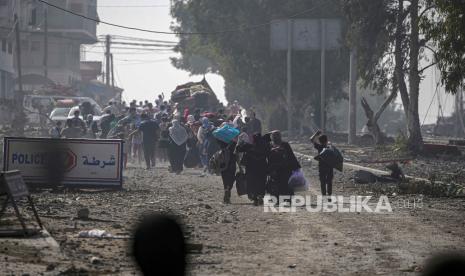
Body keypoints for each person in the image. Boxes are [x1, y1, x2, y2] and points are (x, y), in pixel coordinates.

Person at [266, 130, 300, 200]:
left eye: (277, 135)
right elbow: (268, 156)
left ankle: (288, 198)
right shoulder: (270, 145)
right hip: (274, 168)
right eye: (274, 136)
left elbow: (291, 155)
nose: (276, 137)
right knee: (275, 184)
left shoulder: (285, 144)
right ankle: (277, 198)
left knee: (286, 183)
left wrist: (296, 166)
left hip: (285, 167)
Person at [236, 133, 268, 206]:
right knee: (261, 182)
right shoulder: (265, 147)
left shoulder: (248, 146)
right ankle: (260, 196)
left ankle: (255, 198)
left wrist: (240, 142)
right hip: (262, 168)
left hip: (251, 169)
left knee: (252, 183)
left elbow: (238, 149)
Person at [310, 130, 334, 201]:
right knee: (329, 182)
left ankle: (324, 196)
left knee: (322, 182)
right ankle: (329, 196)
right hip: (329, 167)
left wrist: (316, 134)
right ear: (327, 140)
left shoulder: (319, 147)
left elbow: (311, 139)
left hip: (322, 167)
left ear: (320, 141)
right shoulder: (330, 148)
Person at [216, 139, 237, 204]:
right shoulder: (233, 144)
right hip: (232, 165)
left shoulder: (221, 142)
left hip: (223, 164)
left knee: (225, 179)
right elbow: (237, 154)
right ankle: (228, 189)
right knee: (231, 179)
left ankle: (226, 191)